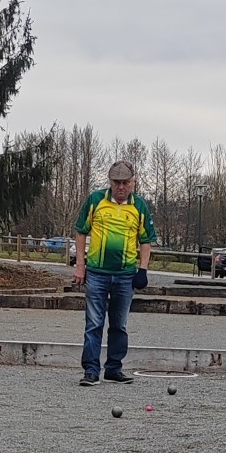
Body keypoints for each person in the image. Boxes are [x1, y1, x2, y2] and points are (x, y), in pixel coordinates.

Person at [74, 159, 157, 386]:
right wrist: (80, 264)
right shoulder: (95, 200)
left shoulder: (139, 206)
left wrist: (143, 269)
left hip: (125, 275)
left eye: (126, 182)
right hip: (97, 273)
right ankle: (91, 370)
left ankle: (113, 368)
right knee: (93, 324)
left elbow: (146, 240)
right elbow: (81, 232)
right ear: (110, 182)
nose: (121, 187)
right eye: (116, 182)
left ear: (133, 183)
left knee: (119, 325)